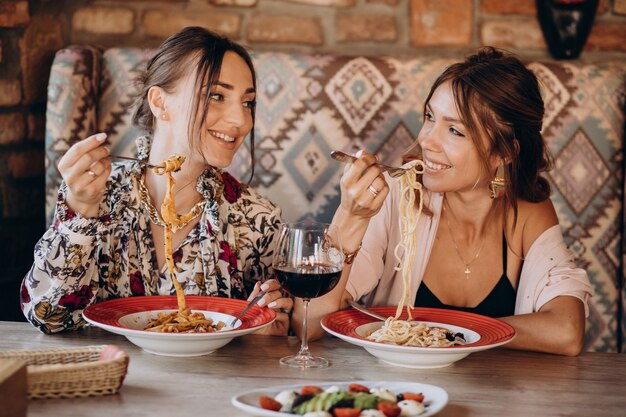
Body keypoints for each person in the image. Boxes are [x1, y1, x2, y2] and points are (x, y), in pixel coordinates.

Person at [295, 47, 594, 356]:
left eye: (454, 130)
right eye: (429, 117)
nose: (427, 140)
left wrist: (445, 335)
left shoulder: (527, 213)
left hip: (496, 395)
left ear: (504, 153)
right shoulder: (397, 195)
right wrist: (350, 215)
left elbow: (566, 330)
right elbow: (312, 321)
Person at [21, 26, 292, 335]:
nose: (242, 121)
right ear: (160, 103)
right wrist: (79, 212)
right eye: (216, 96)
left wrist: (269, 326)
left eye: (248, 103)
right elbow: (47, 317)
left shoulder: (258, 219)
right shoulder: (96, 195)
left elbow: (283, 330)